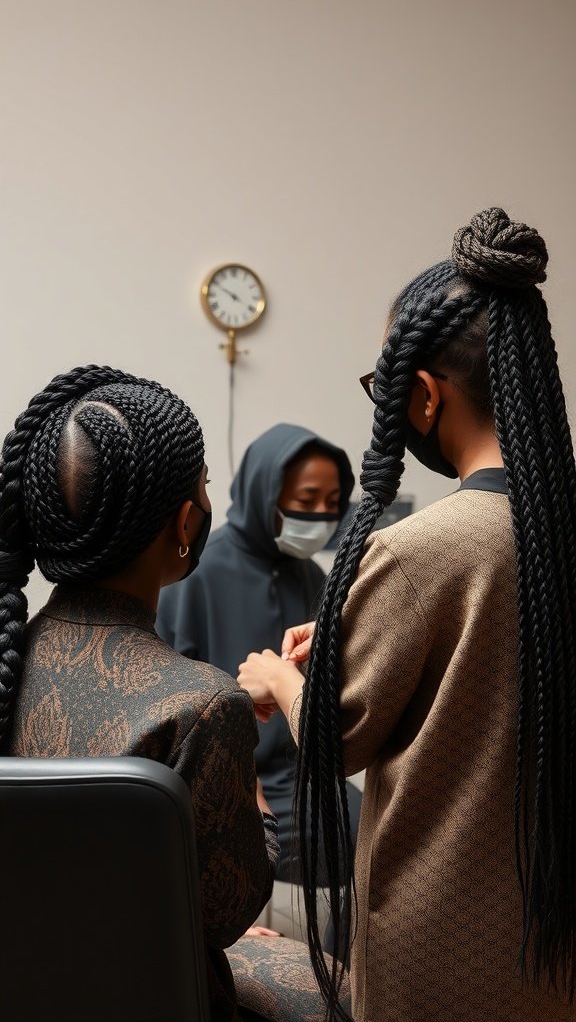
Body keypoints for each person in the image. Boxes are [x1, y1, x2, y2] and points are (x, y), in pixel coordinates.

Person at [238, 209, 576, 1021]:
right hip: (552, 936)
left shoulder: (418, 549)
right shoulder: (556, 537)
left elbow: (337, 738)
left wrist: (280, 678)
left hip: (440, 941)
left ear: (423, 395)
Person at [0, 365, 338, 1022]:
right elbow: (227, 916)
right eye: (204, 486)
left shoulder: (9, 668)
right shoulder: (202, 706)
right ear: (186, 524)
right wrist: (246, 769)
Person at [156, 423, 361, 889]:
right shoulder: (195, 576)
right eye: (306, 500)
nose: (320, 515)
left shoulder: (311, 576)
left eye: (332, 502)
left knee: (381, 834)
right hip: (231, 777)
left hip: (305, 775)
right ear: (262, 492)